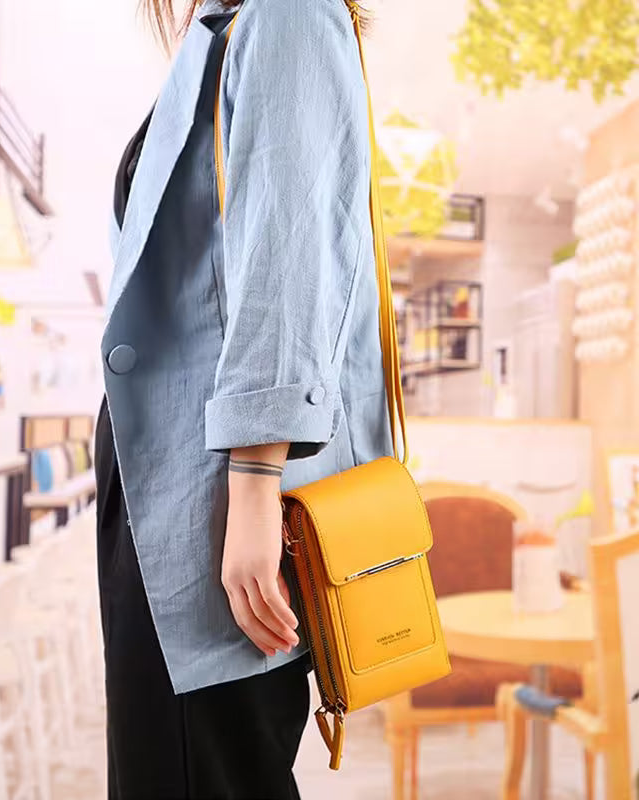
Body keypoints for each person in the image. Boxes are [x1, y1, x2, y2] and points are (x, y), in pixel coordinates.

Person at [96, 0, 391, 797]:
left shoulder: (289, 12)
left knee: (204, 773)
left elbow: (289, 257)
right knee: (182, 766)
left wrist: (258, 482)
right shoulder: (229, 29)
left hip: (214, 485)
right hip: (172, 474)